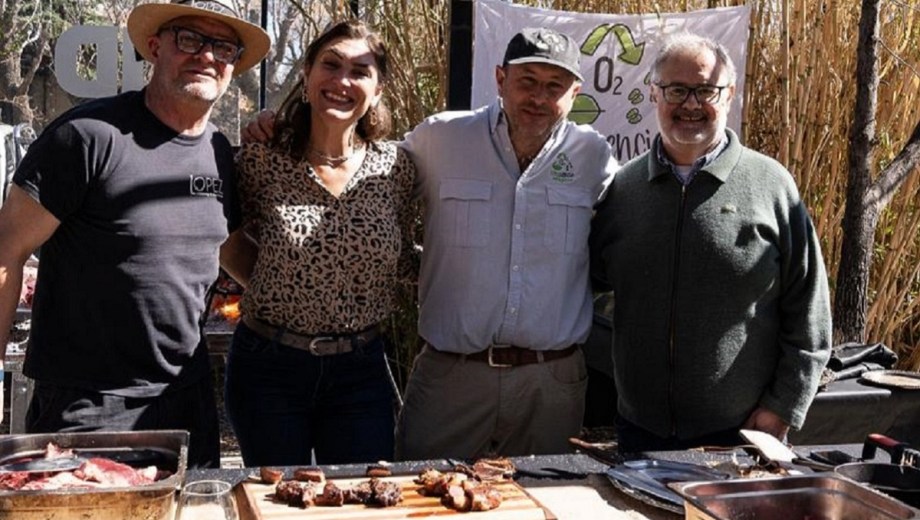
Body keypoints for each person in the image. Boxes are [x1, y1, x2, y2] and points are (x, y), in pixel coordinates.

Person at [242, 27, 617, 460]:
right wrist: (276, 125)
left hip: (550, 382)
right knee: (422, 490)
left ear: (574, 93)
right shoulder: (441, 138)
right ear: (500, 79)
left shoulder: (594, 156)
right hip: (452, 377)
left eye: (554, 86)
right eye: (527, 81)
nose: (538, 97)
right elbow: (362, 175)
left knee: (544, 493)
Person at [0, 0, 270, 468]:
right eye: (190, 39)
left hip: (186, 399)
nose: (206, 55)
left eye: (223, 47)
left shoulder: (219, 153)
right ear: (154, 47)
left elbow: (226, 248)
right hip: (87, 407)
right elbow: (7, 249)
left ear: (233, 67)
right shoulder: (88, 136)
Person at [588, 32, 832, 452]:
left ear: (730, 94)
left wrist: (784, 406)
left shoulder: (771, 185)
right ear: (653, 93)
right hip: (638, 431)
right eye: (676, 90)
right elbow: (585, 285)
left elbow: (810, 310)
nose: (690, 104)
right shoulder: (624, 190)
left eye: (705, 90)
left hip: (742, 433)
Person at [219, 20, 417, 466]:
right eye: (331, 65)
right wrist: (278, 286)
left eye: (360, 71)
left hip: (360, 371)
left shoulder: (397, 167)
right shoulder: (261, 157)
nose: (342, 81)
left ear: (378, 90)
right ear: (307, 74)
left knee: (360, 495)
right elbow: (226, 241)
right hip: (269, 366)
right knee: (274, 496)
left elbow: (402, 257)